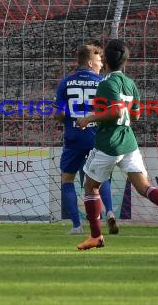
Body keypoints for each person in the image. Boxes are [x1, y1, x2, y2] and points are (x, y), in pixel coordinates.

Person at [75, 39, 158, 250]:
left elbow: (117, 111)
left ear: (106, 60)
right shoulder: (130, 83)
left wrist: (88, 118)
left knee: (91, 186)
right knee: (144, 186)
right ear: (125, 62)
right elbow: (135, 115)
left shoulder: (106, 83)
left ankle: (96, 236)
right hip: (128, 142)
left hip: (108, 143)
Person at [53, 42, 119, 235]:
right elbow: (110, 111)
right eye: (99, 61)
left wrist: (67, 117)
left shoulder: (66, 81)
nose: (101, 65)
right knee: (100, 177)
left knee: (67, 179)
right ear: (90, 62)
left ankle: (76, 226)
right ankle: (109, 212)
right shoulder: (102, 83)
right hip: (96, 138)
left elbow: (57, 114)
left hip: (73, 138)